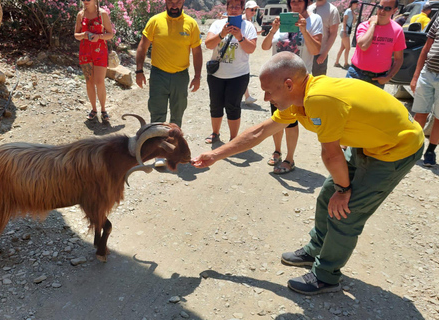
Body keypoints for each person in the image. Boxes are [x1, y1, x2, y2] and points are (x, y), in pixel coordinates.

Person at [192, 51, 424, 295]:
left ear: (289, 84)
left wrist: (344, 190)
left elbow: (331, 155)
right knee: (327, 195)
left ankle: (327, 276)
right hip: (369, 142)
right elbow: (259, 132)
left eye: (269, 91)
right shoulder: (298, 99)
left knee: (346, 211)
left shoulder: (319, 99)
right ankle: (316, 249)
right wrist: (216, 155)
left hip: (396, 148)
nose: (265, 97)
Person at [261, 0, 322, 173]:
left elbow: (316, 49)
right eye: (292, 0)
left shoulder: (314, 20)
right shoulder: (281, 20)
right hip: (276, 82)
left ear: (306, 2)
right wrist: (273, 29)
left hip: (297, 82)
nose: (295, 3)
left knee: (291, 121)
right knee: (276, 117)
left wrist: (304, 30)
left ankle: (290, 158)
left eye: (299, 0)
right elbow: (265, 46)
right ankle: (277, 151)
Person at [135, 0, 203, 129]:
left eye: (177, 2)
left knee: (177, 116)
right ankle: (155, 144)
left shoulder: (191, 24)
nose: (174, 5)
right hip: (159, 76)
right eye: (171, 2)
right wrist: (139, 71)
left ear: (183, 1)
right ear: (166, 1)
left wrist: (197, 76)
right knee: (157, 115)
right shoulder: (155, 21)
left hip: (180, 76)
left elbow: (197, 52)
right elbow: (142, 47)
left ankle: (173, 145)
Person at [203, 0, 257, 144]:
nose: (233, 9)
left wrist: (240, 36)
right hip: (216, 75)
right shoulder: (217, 24)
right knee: (215, 105)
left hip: (238, 75)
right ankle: (215, 133)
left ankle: (233, 139)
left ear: (242, 9)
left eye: (237, 7)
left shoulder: (248, 26)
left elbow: (251, 49)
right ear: (227, 8)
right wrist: (221, 34)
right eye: (231, 6)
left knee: (233, 106)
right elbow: (208, 45)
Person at [346, 0, 405, 89]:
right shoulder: (364, 26)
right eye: (380, 7)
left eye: (387, 8)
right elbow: (364, 46)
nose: (382, 11)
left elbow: (399, 59)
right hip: (356, 74)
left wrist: (388, 77)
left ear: (394, 10)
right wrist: (373, 25)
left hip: (378, 79)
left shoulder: (397, 30)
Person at [74, 0, 114, 122]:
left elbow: (110, 34)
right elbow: (76, 34)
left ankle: (103, 110)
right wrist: (84, 35)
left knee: (99, 81)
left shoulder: (103, 14)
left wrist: (99, 37)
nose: (85, 1)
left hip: (100, 51)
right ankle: (93, 109)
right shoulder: (80, 15)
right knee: (89, 81)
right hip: (85, 52)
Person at [410, 17, 439, 166]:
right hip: (427, 72)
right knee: (420, 113)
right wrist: (416, 75)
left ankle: (430, 151)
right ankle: (412, 148)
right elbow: (426, 47)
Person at [308, 0, 340, 76]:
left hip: (320, 53)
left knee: (319, 81)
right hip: (306, 51)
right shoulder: (308, 8)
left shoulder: (333, 10)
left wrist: (324, 53)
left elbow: (333, 34)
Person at [243, 0, 260, 105]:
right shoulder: (244, 19)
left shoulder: (249, 20)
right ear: (246, 9)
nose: (254, 11)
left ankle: (247, 96)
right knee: (243, 73)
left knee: (243, 74)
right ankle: (247, 96)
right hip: (241, 50)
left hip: (244, 50)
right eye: (252, 9)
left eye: (255, 10)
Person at [334, 0, 359, 69]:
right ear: (353, 4)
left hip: (347, 31)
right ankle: (346, 63)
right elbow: (344, 22)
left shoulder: (352, 12)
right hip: (345, 31)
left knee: (342, 48)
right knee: (348, 48)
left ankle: (337, 62)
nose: (357, 5)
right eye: (356, 4)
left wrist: (354, 16)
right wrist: (345, 31)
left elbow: (353, 23)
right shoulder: (348, 11)